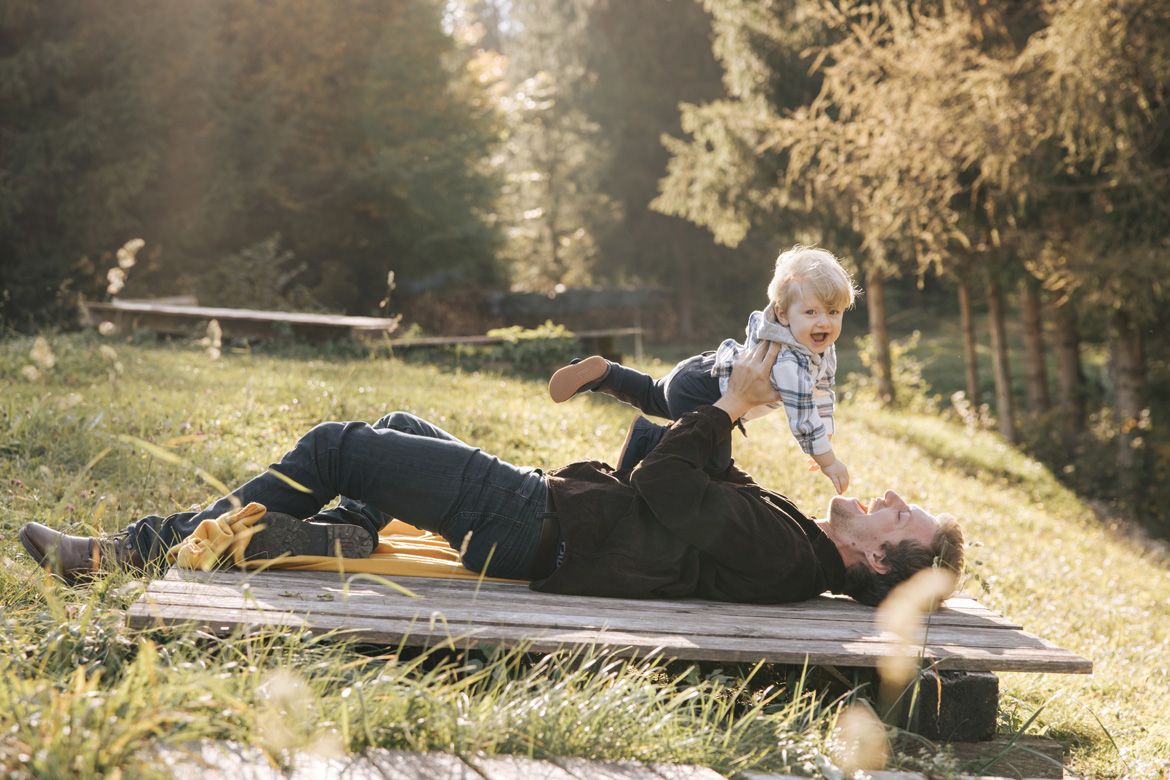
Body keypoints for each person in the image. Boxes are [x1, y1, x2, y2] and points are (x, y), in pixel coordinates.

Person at [18, 342, 964, 607]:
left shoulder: (792, 558)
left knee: (339, 444)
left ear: (876, 562)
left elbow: (667, 491)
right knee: (397, 428)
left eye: (898, 516)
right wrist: (718, 404)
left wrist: (724, 415)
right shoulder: (794, 544)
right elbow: (663, 479)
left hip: (528, 524)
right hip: (541, 511)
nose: (886, 497)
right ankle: (352, 531)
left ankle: (128, 550)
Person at [549, 245, 857, 492]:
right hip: (706, 396)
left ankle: (605, 373)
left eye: (833, 312)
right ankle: (650, 439)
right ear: (783, 313)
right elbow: (803, 416)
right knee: (713, 467)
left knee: (652, 393)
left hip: (697, 373)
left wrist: (826, 431)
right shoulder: (791, 360)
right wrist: (827, 461)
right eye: (811, 312)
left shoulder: (821, 350)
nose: (824, 322)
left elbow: (822, 390)